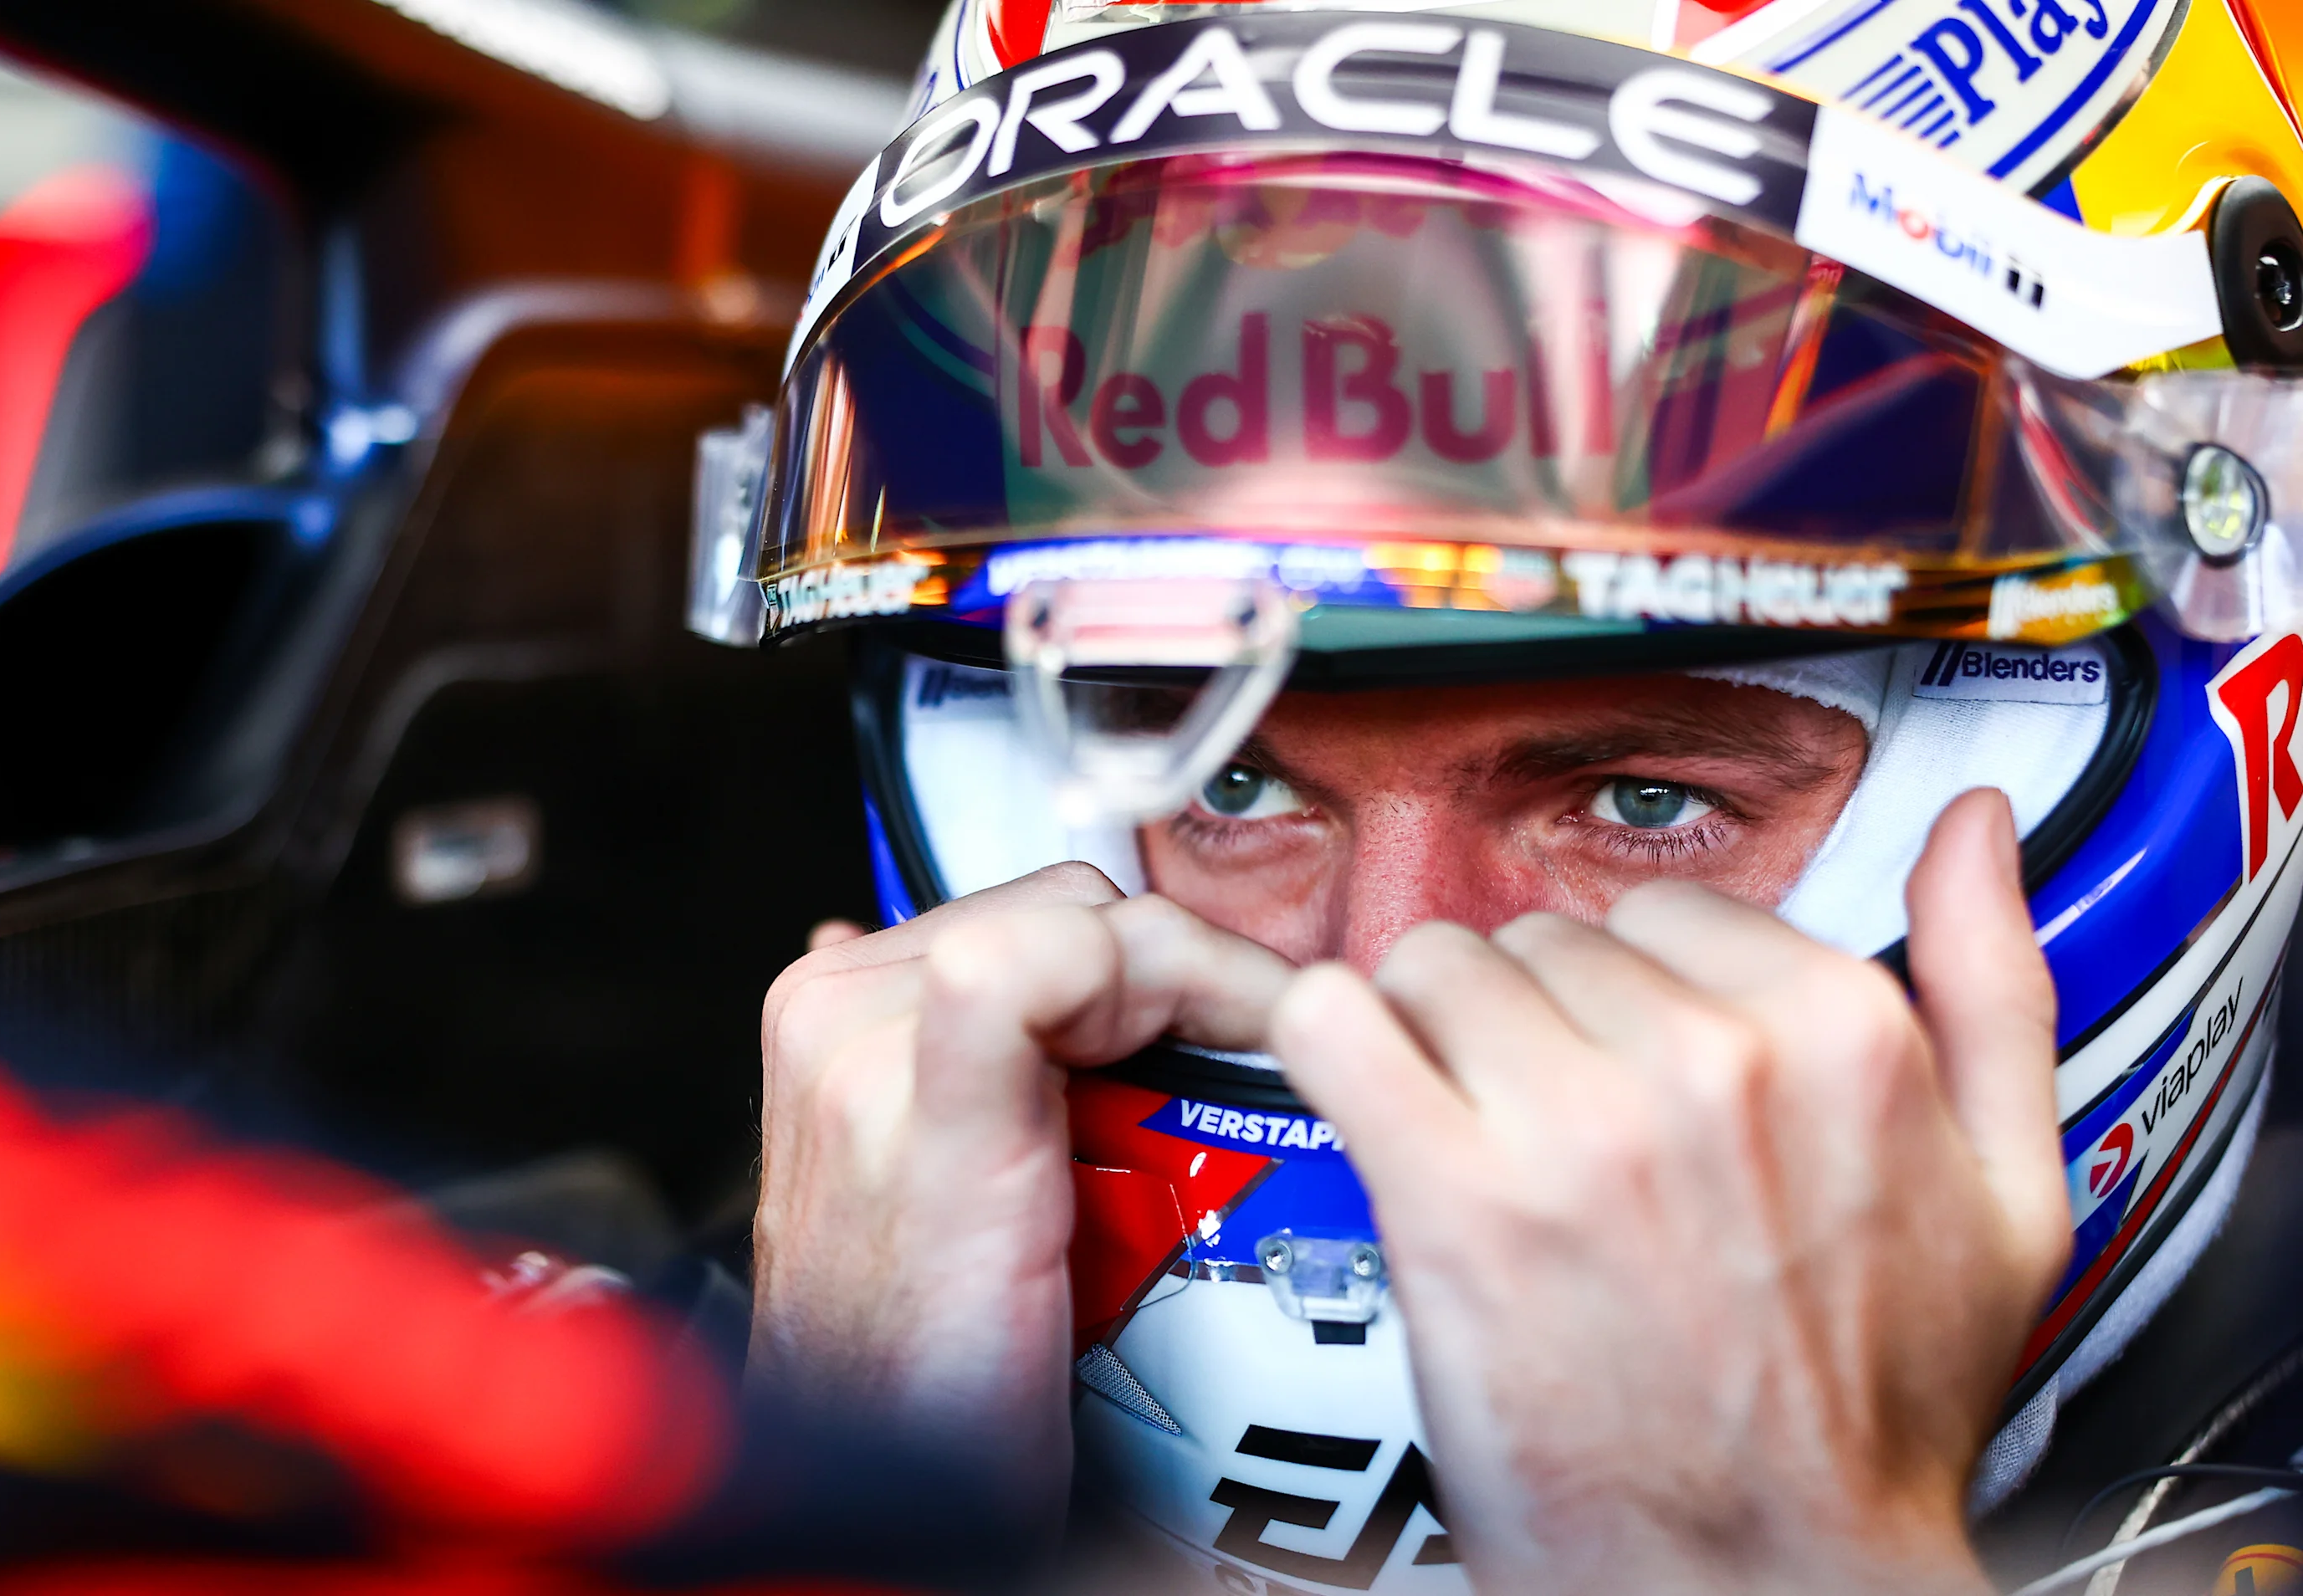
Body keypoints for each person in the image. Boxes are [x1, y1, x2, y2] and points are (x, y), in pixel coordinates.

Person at [688, 1, 2303, 1588]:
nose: (1380, 1001)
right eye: (1232, 778)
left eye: (1646, 801)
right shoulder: (672, 1382)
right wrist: (844, 1502)